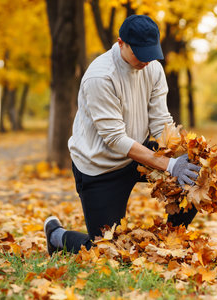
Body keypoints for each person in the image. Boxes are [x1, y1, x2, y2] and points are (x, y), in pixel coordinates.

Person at [43, 15, 201, 256]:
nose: (146, 60)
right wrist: (169, 165)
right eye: (140, 53)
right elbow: (115, 139)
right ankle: (57, 236)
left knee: (192, 179)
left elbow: (160, 122)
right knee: (107, 251)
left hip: (138, 151)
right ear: (121, 43)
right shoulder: (101, 76)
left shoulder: (153, 68)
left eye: (151, 53)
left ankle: (170, 244)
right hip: (100, 164)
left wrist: (182, 156)